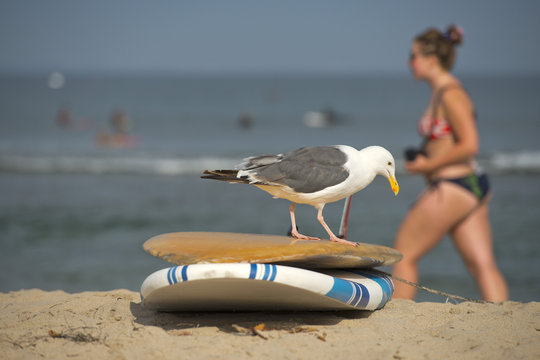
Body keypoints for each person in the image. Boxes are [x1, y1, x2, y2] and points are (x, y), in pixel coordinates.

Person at [392, 25, 508, 302]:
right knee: (482, 265)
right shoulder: (441, 92)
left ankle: (397, 320)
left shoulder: (450, 93)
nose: (409, 62)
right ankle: (503, 318)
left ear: (431, 60)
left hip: (452, 185)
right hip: (469, 186)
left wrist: (427, 167)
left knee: (403, 256)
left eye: (413, 55)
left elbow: (470, 144)